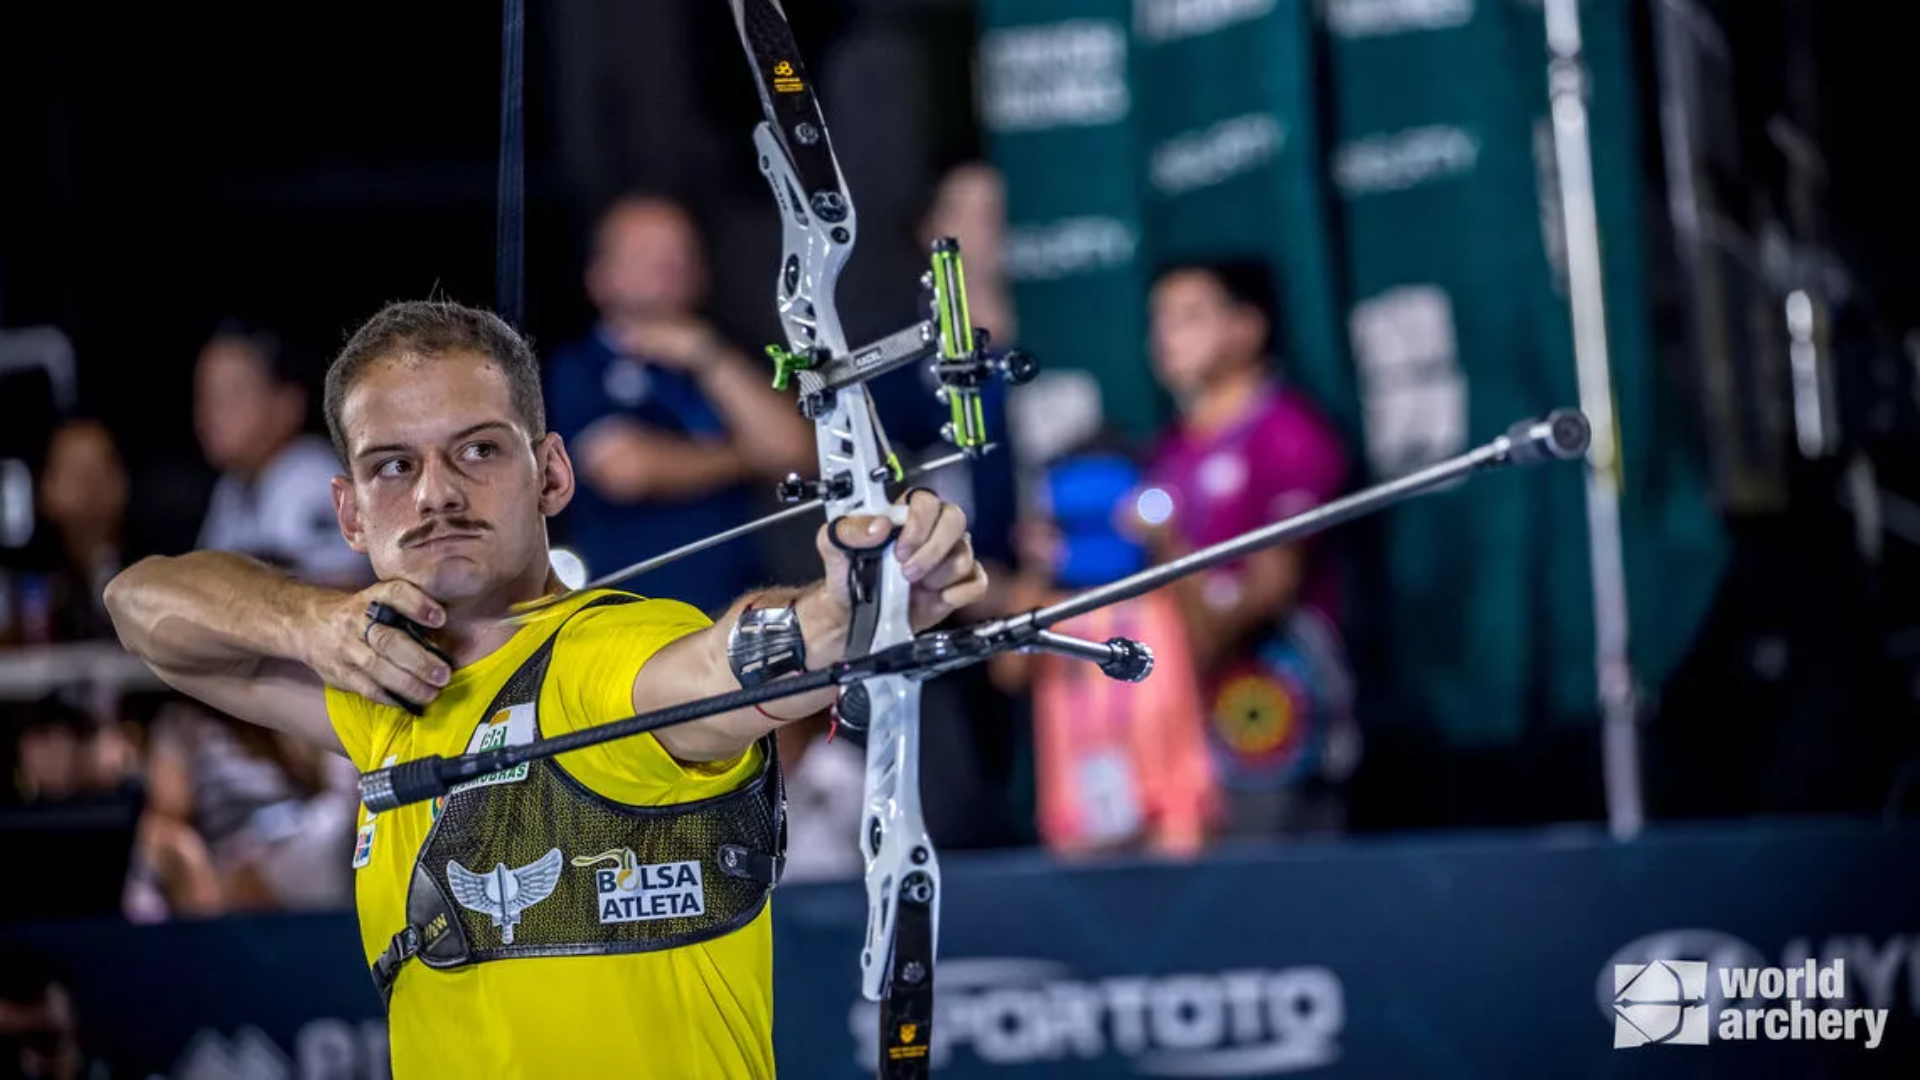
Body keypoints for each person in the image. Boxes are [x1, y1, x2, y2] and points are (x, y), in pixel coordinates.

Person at [103, 298, 987, 1079]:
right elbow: (142, 607)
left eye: (478, 450)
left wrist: (853, 600)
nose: (436, 495)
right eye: (393, 467)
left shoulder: (610, 651)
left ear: (551, 474)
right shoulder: (386, 689)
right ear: (350, 512)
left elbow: (728, 660)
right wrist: (311, 624)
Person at [1140, 259, 1359, 839]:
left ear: (1246, 328)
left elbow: (1260, 597)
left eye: (1189, 317)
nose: (1165, 336)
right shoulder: (1172, 447)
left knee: (1279, 893)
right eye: (1159, 319)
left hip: (1273, 705)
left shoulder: (1290, 435)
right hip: (1188, 720)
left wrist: (1164, 543)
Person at [547, 194, 812, 615]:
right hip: (633, 611)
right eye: (646, 256)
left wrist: (707, 354)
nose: (668, 268)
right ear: (600, 276)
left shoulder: (726, 359)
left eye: (680, 253)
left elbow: (794, 450)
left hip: (743, 603)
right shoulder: (579, 366)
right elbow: (627, 470)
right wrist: (748, 456)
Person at [194, 321, 370, 588]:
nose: (211, 411)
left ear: (289, 404)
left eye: (233, 393)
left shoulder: (311, 473)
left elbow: (347, 589)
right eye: (205, 395)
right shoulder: (231, 486)